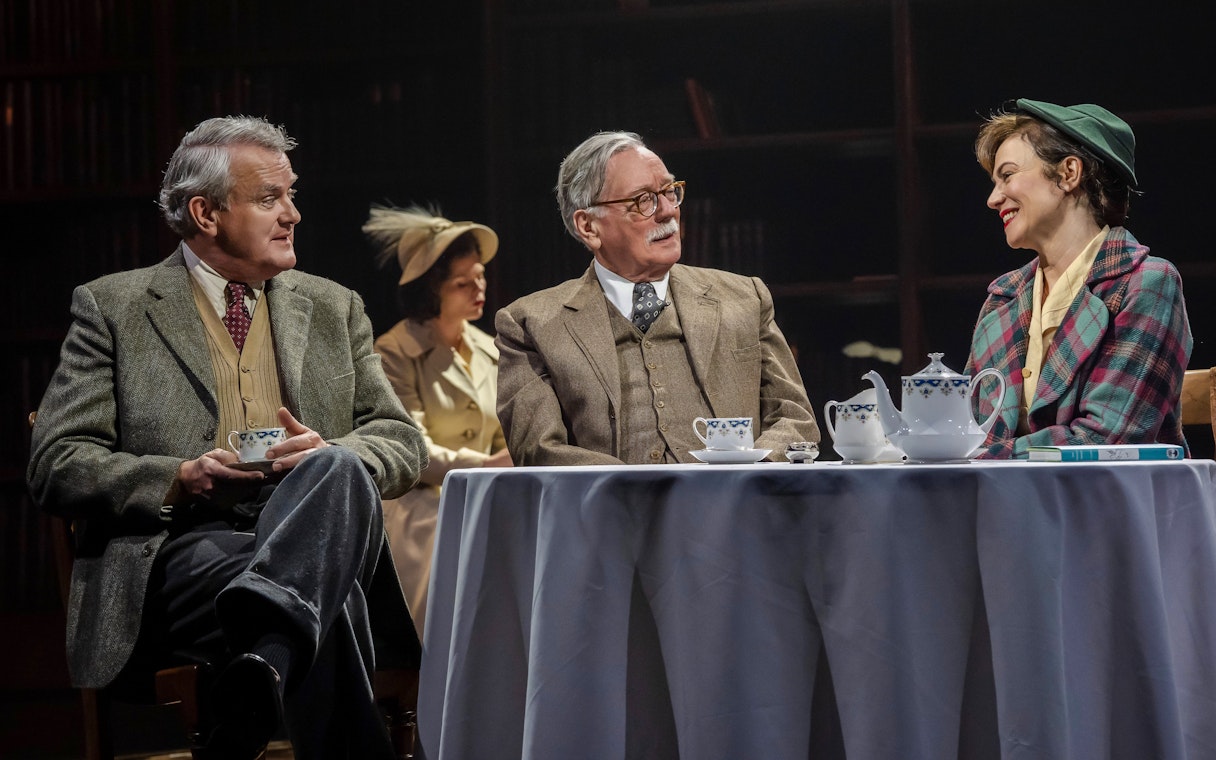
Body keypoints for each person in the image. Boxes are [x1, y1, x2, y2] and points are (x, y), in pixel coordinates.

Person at [26, 115, 427, 759]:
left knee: (337, 471)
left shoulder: (333, 306)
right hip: (180, 556)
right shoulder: (115, 309)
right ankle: (278, 661)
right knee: (333, 594)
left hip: (306, 539)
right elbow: (56, 464)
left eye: (292, 195)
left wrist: (332, 454)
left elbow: (401, 441)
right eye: (270, 199)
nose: (292, 213)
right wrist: (178, 478)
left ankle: (264, 665)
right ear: (205, 213)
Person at [495, 130, 819, 465]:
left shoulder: (745, 299)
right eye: (643, 200)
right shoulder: (530, 325)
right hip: (610, 514)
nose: (667, 212)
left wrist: (743, 480)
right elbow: (539, 450)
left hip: (734, 508)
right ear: (589, 227)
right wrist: (635, 492)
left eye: (669, 192)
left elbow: (795, 421)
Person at [965, 98, 1191, 458]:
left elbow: (1105, 440)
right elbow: (969, 432)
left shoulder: (1145, 284)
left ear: (1069, 173)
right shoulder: (1004, 299)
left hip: (1106, 507)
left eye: (1007, 175)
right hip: (1004, 503)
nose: (994, 198)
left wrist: (976, 458)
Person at [363, 204, 511, 636]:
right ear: (433, 291)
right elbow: (410, 448)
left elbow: (506, 432)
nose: (477, 288)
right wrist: (483, 466)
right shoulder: (394, 351)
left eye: (480, 276)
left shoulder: (490, 348)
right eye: (462, 283)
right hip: (420, 502)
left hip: (483, 494)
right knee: (452, 545)